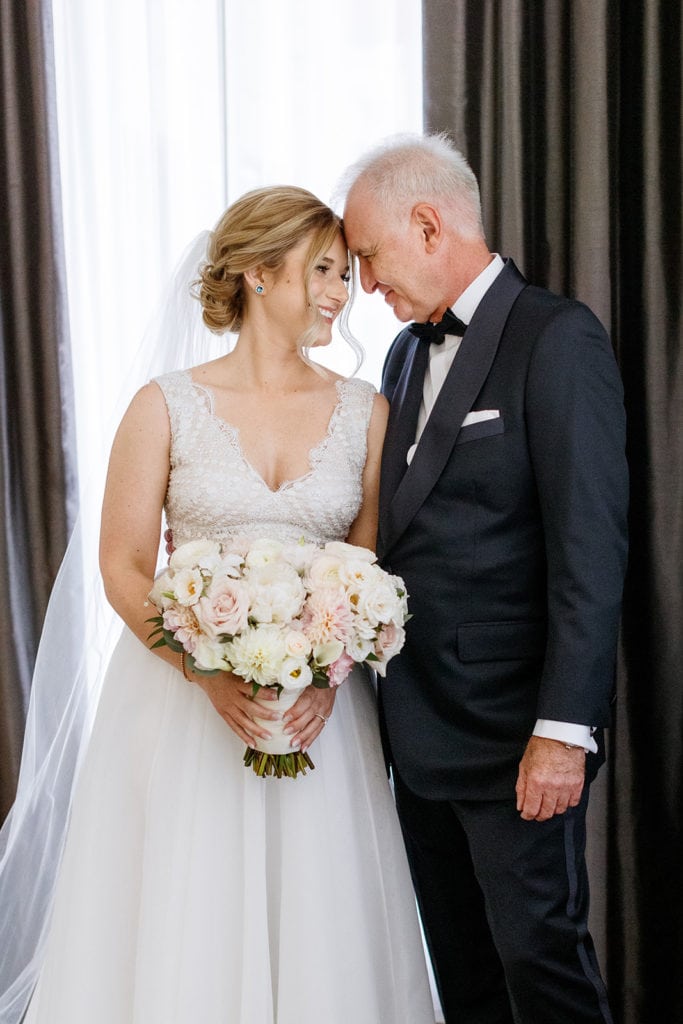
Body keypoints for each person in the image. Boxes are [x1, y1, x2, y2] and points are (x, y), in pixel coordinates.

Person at [2, 186, 436, 1023]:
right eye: (322, 270)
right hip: (181, 708)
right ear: (256, 273)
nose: (340, 294)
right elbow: (122, 565)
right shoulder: (164, 406)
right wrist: (204, 673)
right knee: (185, 914)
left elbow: (364, 562)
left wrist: (324, 675)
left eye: (345, 274)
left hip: (320, 717)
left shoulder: (364, 412)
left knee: (322, 923)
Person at [340, 135, 629, 1024]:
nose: (363, 288)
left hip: (516, 737)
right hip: (415, 735)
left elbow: (590, 548)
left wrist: (562, 731)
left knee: (541, 969)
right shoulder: (398, 358)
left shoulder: (556, 336)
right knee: (461, 980)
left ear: (427, 225)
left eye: (368, 259)